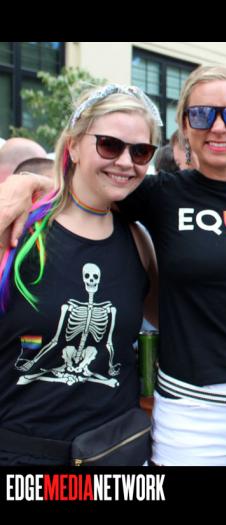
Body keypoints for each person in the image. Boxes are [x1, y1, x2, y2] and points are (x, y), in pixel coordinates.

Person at [0, 84, 160, 465]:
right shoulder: (18, 230)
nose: (125, 162)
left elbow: (174, 322)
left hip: (111, 458)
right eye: (109, 145)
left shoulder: (138, 242)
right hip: (21, 460)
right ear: (72, 146)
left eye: (140, 151)